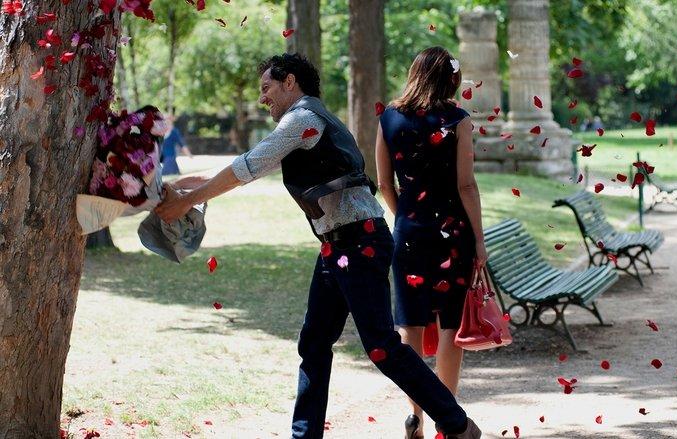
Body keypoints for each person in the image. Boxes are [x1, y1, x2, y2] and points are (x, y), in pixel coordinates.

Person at [154, 53, 481, 439]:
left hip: (359, 243)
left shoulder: (303, 120)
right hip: (337, 245)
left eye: (267, 88)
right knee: (314, 343)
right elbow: (246, 162)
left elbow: (248, 168)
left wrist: (186, 201)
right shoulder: (304, 119)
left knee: (381, 346)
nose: (262, 97)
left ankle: (456, 424)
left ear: (290, 82)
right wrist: (179, 188)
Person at [375, 46, 487, 439]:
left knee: (409, 325)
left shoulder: (389, 117)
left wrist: (406, 217)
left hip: (408, 232)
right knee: (449, 327)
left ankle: (415, 417)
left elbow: (384, 183)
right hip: (453, 234)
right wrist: (479, 240)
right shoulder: (458, 120)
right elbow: (466, 185)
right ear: (451, 79)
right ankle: (447, 417)